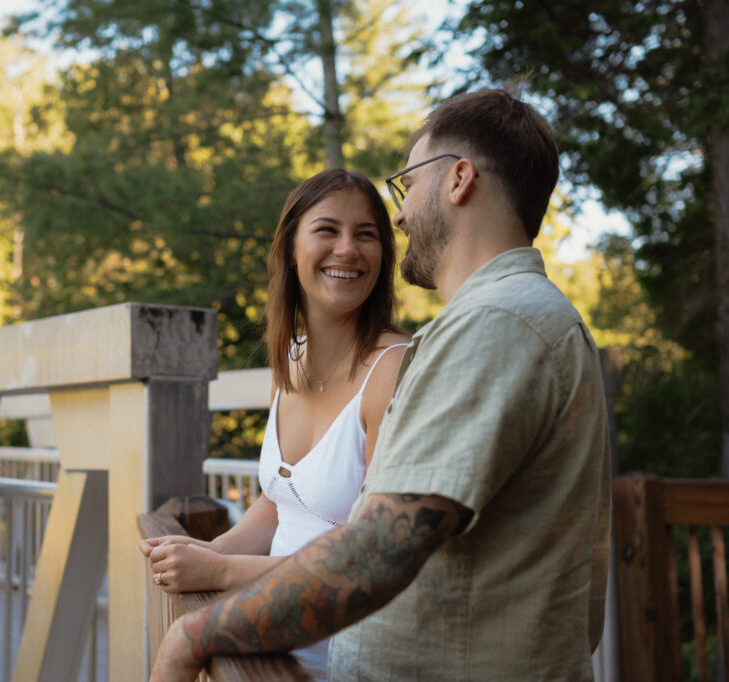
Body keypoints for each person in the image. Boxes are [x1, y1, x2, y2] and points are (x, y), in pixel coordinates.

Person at [149, 88, 612, 682]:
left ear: (459, 180)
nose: (399, 215)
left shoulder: (495, 325)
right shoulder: (504, 320)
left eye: (407, 185)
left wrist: (196, 633)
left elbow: (377, 551)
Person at [140, 168, 410, 680]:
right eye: (327, 230)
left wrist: (219, 570)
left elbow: (370, 563)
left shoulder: (393, 370)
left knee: (181, 646)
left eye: (366, 234)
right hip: (269, 643)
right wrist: (208, 550)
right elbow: (277, 503)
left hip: (341, 660)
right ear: (290, 248)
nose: (348, 249)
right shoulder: (293, 358)